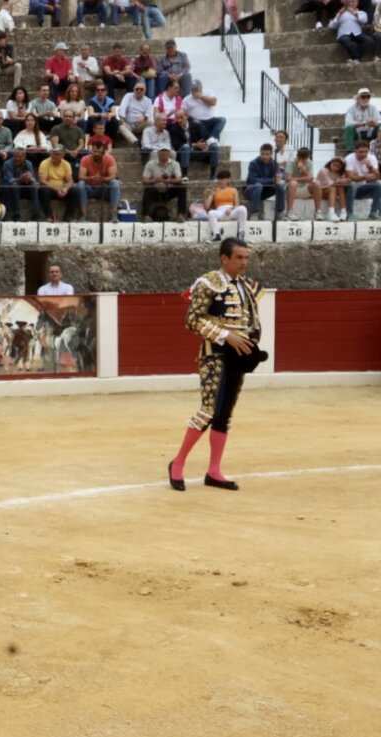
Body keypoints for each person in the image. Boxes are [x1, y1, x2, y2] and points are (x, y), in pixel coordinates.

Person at [168, 238, 262, 492]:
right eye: (240, 258)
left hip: (237, 356)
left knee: (225, 413)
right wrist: (226, 336)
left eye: (246, 258)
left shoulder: (247, 286)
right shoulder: (208, 282)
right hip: (214, 353)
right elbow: (192, 320)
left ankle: (214, 471)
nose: (244, 262)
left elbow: (251, 321)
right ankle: (177, 464)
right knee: (208, 410)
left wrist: (251, 344)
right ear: (224, 258)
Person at [78, 140, 121, 221]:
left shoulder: (109, 159)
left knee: (115, 183)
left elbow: (113, 176)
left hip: (103, 188)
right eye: (94, 151)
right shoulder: (85, 159)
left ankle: (114, 215)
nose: (96, 154)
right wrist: (90, 178)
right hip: (90, 188)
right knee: (80, 184)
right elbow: (81, 176)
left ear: (104, 152)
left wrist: (103, 179)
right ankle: (84, 215)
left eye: (99, 152)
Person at [203, 169, 248, 241]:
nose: (220, 181)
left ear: (228, 179)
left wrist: (232, 208)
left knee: (243, 209)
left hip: (231, 211)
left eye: (222, 179)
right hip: (220, 212)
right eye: (219, 179)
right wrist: (205, 196)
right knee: (211, 213)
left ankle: (241, 233)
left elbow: (237, 205)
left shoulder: (233, 190)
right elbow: (207, 207)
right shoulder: (214, 191)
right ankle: (216, 234)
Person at [244, 143, 286, 219]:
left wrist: (279, 177)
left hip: (265, 191)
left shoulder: (274, 164)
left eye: (267, 154)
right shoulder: (253, 163)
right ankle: (254, 214)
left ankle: (280, 212)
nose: (265, 156)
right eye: (263, 154)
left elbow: (278, 176)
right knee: (258, 185)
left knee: (280, 184)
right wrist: (271, 180)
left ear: (271, 154)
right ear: (260, 153)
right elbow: (252, 179)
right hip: (252, 191)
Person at [344, 139, 381, 220]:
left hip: (362, 188)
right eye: (361, 152)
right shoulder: (349, 158)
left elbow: (377, 176)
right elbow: (351, 178)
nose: (363, 154)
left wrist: (370, 167)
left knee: (378, 184)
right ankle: (349, 213)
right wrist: (365, 177)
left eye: (366, 151)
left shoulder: (371, 158)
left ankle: (373, 212)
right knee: (352, 184)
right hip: (349, 189)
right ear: (355, 151)